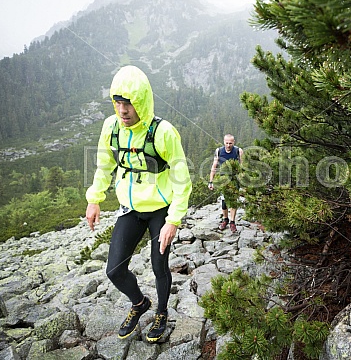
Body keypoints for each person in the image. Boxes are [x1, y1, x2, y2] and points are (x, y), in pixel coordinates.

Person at [85, 65, 192, 343]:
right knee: (114, 270)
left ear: (141, 102)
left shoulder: (163, 132)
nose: (123, 110)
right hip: (131, 209)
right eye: (118, 103)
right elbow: (104, 164)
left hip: (160, 211)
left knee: (159, 266)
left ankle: (162, 311)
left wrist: (174, 220)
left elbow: (183, 180)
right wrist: (95, 199)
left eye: (129, 103)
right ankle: (139, 303)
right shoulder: (111, 127)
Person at [208, 134, 243, 232]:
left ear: (234, 142)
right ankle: (225, 219)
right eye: (226, 143)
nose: (228, 145)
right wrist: (211, 181)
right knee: (224, 202)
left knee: (234, 201)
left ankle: (232, 221)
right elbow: (214, 166)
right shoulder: (219, 151)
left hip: (234, 178)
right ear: (224, 142)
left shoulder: (238, 151)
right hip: (223, 179)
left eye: (230, 143)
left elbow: (242, 166)